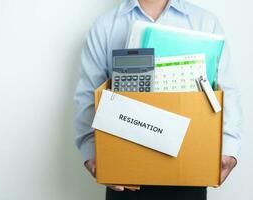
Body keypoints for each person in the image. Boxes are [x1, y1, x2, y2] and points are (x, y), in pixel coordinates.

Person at [74, 0, 242, 199]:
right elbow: (88, 94)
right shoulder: (105, 25)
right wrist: (91, 154)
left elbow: (226, 92)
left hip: (188, 172)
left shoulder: (204, 22)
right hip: (125, 175)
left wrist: (229, 150)